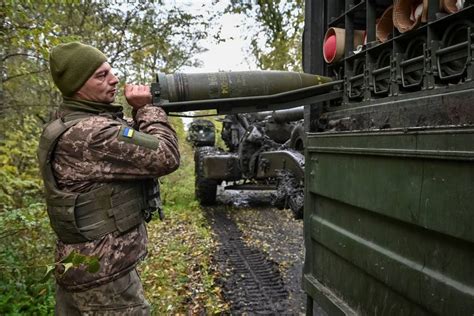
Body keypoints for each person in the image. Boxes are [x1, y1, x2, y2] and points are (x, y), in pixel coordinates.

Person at [37, 42, 180, 315]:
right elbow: (165, 156)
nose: (114, 79)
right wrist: (147, 109)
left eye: (110, 71)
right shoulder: (93, 133)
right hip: (106, 281)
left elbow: (129, 140)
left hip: (81, 267)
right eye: (101, 75)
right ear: (78, 86)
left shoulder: (66, 121)